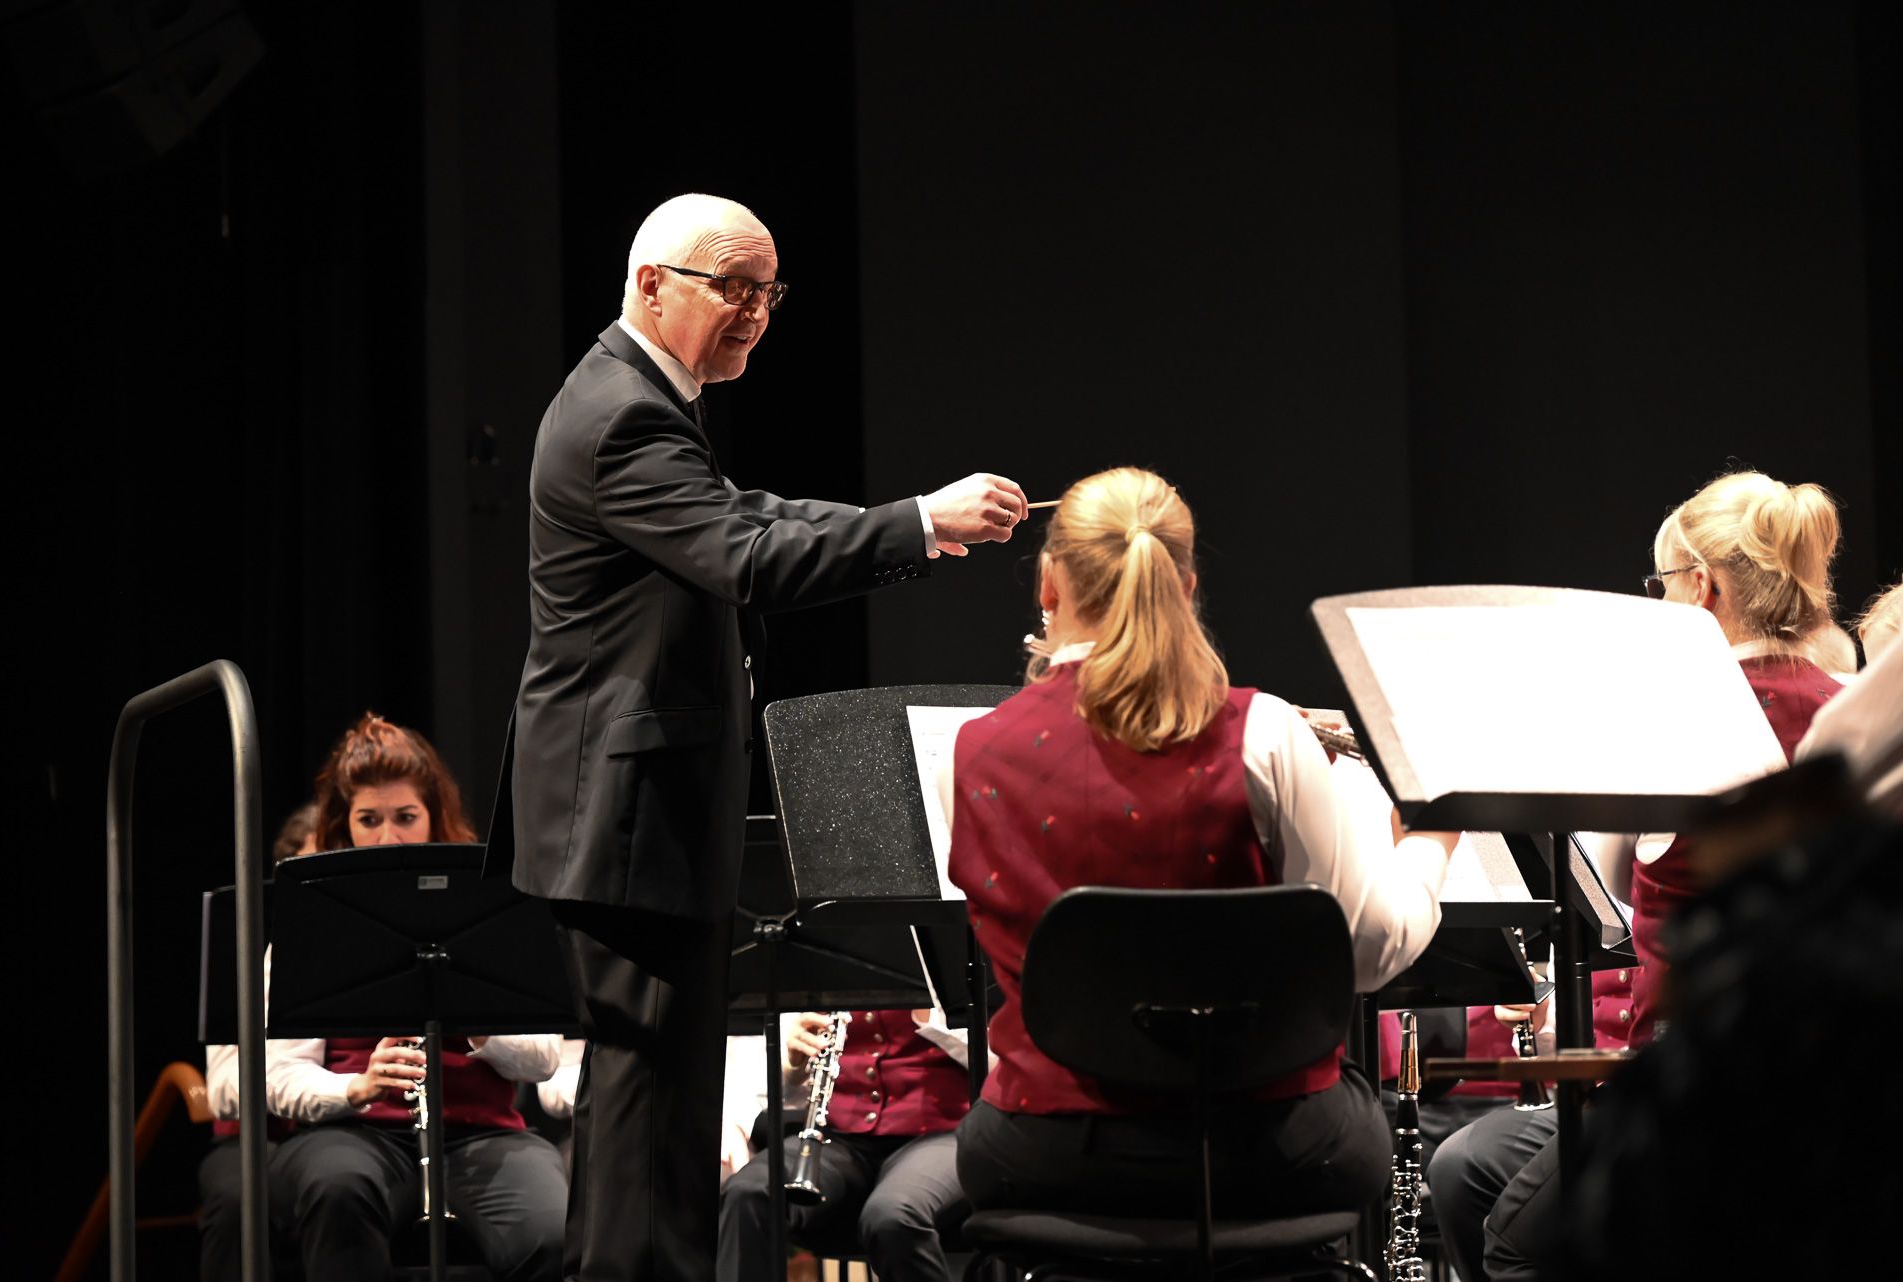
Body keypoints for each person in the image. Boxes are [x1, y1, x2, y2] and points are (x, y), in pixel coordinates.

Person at [489, 192, 1027, 1282]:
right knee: (651, 1124)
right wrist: (920, 519)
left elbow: (754, 513)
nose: (755, 313)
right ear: (650, 284)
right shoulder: (622, 413)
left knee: (649, 1116)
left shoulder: (642, 399)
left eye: (767, 291)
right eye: (730, 288)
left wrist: (914, 524)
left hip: (631, 813)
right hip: (628, 817)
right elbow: (745, 553)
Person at [940, 466, 1456, 1217]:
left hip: (1048, 1150)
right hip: (1262, 1148)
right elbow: (1367, 953)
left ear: (1048, 585)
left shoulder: (975, 750)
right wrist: (1428, 841)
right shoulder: (1266, 731)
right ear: (1185, 585)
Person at [1429, 470, 1844, 1282]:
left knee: (1518, 1241)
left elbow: (1614, 901)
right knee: (1466, 1163)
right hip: (1816, 1075)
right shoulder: (1850, 705)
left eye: (1658, 585)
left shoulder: (1676, 727)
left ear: (1701, 591)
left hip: (1701, 1086)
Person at [268, 714, 567, 1282]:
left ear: (435, 818)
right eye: (369, 820)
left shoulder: (493, 908)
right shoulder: (310, 927)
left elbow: (545, 1059)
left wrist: (479, 1022)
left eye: (406, 817)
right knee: (337, 1190)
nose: (389, 839)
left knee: (552, 1233)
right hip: (354, 1136)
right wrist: (357, 1086)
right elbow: (280, 1078)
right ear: (343, 826)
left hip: (483, 1134)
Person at [716, 1010, 972, 1282]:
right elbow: (784, 1095)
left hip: (944, 1133)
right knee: (750, 1192)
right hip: (841, 1135)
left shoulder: (952, 972)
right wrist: (793, 1065)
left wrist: (933, 1017)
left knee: (893, 1216)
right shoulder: (824, 973)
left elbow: (1000, 1058)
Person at [197, 802, 317, 1282]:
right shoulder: (248, 943)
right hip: (259, 1135)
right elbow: (223, 1085)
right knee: (237, 1198)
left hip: (345, 1133)